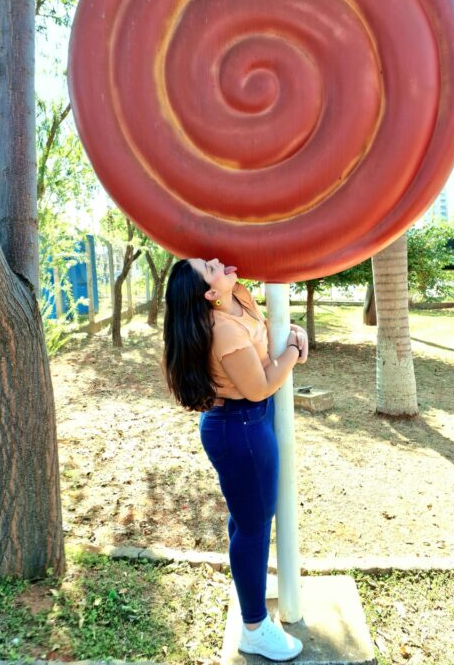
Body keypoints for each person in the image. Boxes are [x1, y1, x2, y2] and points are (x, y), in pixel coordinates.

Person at [163, 257, 308, 661]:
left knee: (249, 520)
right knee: (253, 526)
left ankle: (250, 595)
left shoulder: (238, 295)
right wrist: (293, 351)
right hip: (239, 428)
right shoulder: (223, 330)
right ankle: (254, 629)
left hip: (248, 422)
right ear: (211, 293)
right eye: (209, 268)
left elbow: (263, 339)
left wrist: (290, 334)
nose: (217, 261)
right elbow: (260, 386)